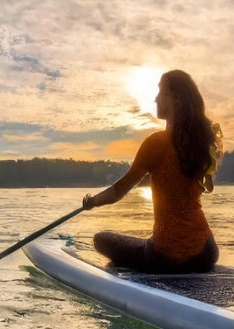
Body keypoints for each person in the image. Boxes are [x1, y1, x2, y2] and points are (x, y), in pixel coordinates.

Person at [82, 69, 223, 273]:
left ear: (176, 98)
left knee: (101, 239)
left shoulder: (155, 143)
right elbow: (179, 180)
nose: (155, 99)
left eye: (160, 92)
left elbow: (117, 192)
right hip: (206, 253)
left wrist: (92, 202)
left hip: (167, 256)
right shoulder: (199, 144)